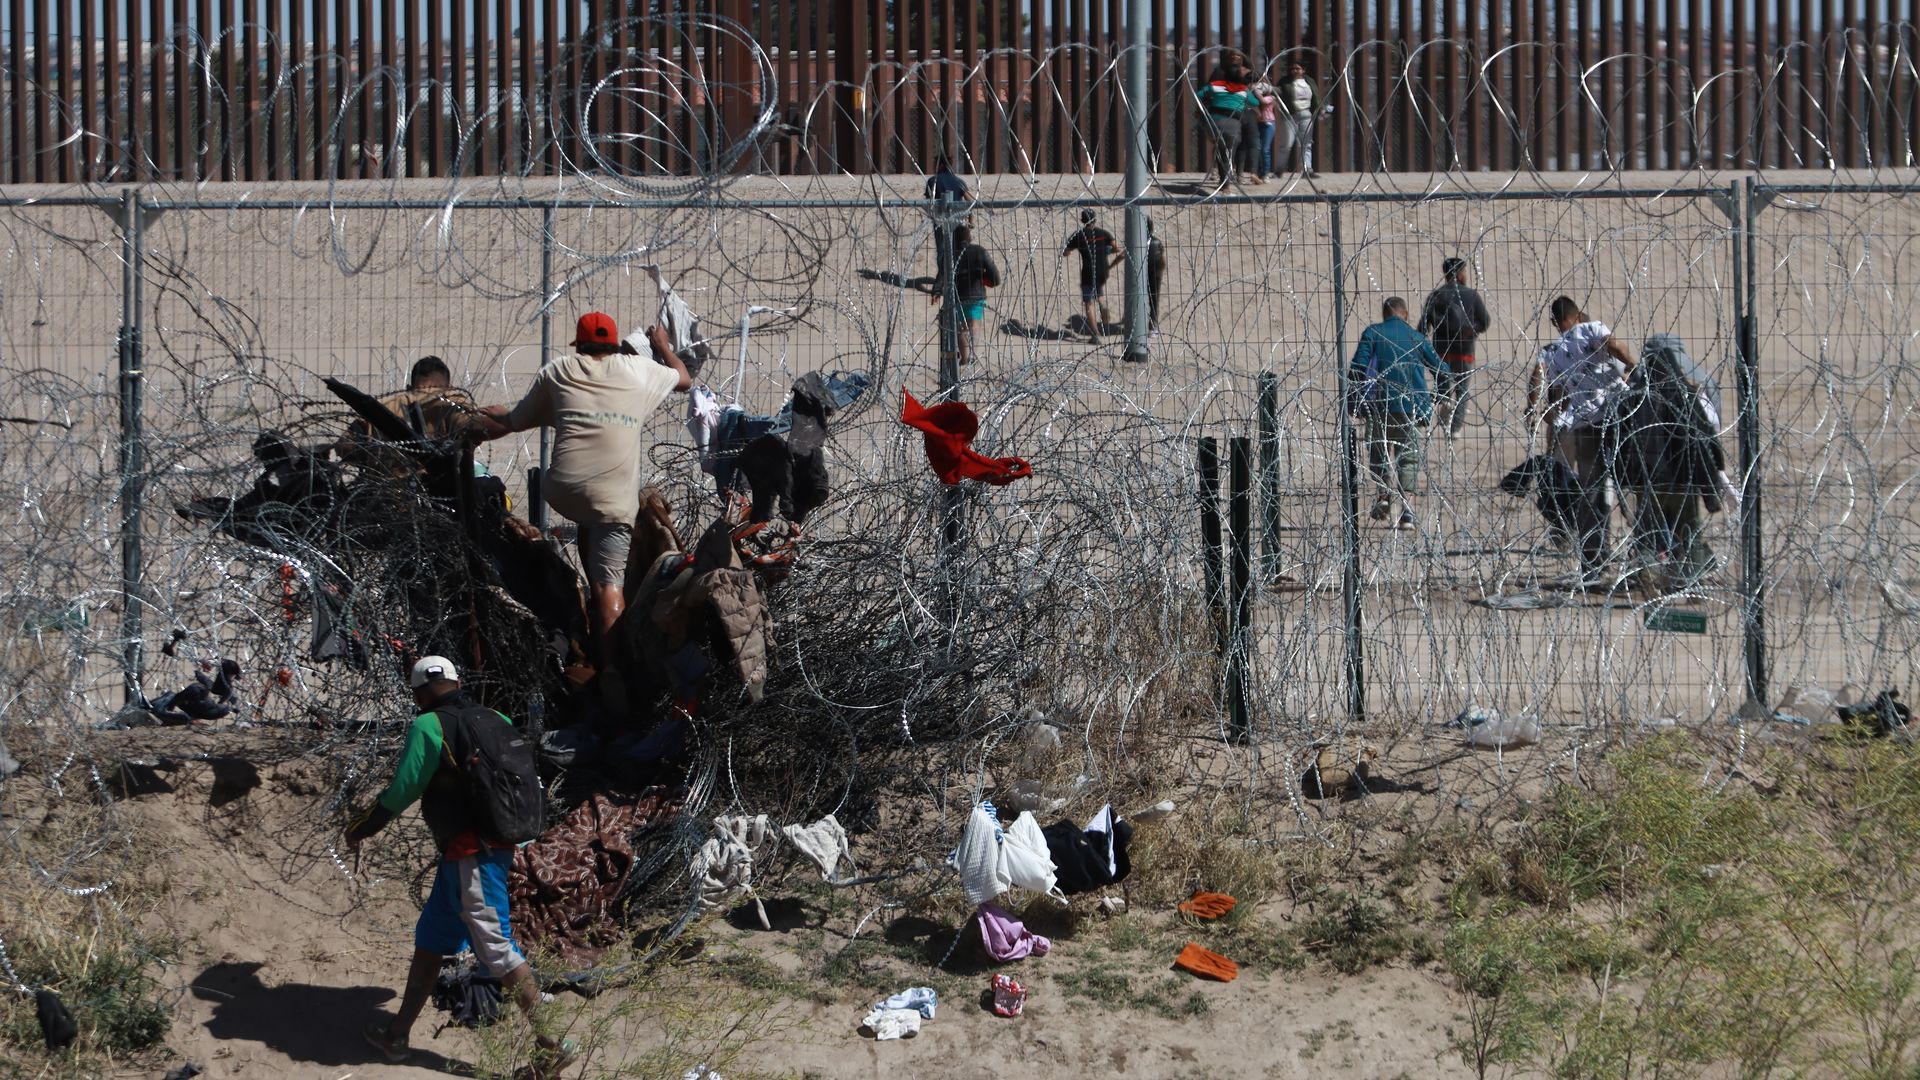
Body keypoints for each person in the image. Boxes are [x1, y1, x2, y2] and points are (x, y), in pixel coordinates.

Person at [348, 657, 573, 1078]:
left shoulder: (429, 725)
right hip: (481, 849)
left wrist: (362, 828)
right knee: (431, 939)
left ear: (418, 693)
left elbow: (403, 790)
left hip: (474, 853)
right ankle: (397, 1034)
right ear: (457, 680)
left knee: (495, 947)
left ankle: (551, 1048)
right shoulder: (496, 716)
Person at [472, 313, 692, 667]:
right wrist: (663, 346)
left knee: (588, 513)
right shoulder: (640, 371)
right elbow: (684, 380)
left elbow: (510, 420)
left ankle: (585, 615)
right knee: (610, 588)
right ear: (615, 344)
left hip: (563, 489)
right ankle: (614, 676)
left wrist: (468, 427)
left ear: (580, 343)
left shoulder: (559, 370)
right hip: (613, 500)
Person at [1605, 335, 1732, 588]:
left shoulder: (1634, 399)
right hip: (1682, 481)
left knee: (1647, 534)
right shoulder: (1687, 397)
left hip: (1647, 482)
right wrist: (1714, 472)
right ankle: (1694, 582)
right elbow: (1705, 437)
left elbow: (1616, 440)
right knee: (1690, 532)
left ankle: (1648, 578)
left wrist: (1621, 476)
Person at [1526, 296, 1637, 583]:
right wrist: (1632, 365)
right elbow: (1613, 345)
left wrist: (1544, 412)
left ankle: (1593, 562)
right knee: (1631, 481)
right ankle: (1642, 546)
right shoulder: (1589, 329)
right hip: (1618, 418)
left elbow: (1557, 392)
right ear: (1577, 316)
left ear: (1555, 322)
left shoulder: (1554, 351)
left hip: (1585, 426)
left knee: (1590, 492)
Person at [1348, 297, 1445, 530]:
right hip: (1411, 407)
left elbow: (1358, 368)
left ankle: (1383, 496)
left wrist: (1355, 400)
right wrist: (1436, 397)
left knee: (1379, 453)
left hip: (1379, 405)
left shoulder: (1373, 333)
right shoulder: (1417, 337)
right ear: (1406, 314)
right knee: (1408, 458)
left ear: (1384, 314)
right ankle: (1407, 511)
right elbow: (1443, 371)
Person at [335, 355, 477, 464]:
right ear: (449, 387)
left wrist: (376, 455)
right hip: (444, 493)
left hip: (390, 492)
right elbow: (480, 429)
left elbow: (344, 446)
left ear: (409, 388)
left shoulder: (383, 407)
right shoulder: (453, 403)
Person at [1417, 257, 1493, 439]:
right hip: (1463, 350)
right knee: (1462, 390)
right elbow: (1485, 321)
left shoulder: (1435, 296)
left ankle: (1431, 413)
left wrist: (1425, 346)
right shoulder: (1471, 295)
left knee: (1441, 388)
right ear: (1459, 274)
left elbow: (1422, 327)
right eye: (1464, 271)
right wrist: (1470, 332)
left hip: (1440, 351)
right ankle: (1455, 428)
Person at [931, 223, 1000, 365]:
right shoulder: (979, 251)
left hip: (959, 295)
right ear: (969, 237)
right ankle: (974, 356)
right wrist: (990, 280)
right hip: (977, 294)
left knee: (962, 327)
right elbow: (994, 275)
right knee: (975, 324)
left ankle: (964, 357)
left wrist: (937, 290)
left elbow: (942, 274)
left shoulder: (950, 255)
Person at [1062, 209, 1125, 345]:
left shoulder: (1078, 236)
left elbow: (1066, 252)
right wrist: (1105, 251)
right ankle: (1102, 302)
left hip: (1088, 271)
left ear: (1082, 221)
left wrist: (1069, 251)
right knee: (1098, 289)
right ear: (1095, 219)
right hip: (1103, 269)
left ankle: (1095, 335)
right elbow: (1116, 248)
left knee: (1089, 303)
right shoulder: (1104, 234)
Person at [1199, 50, 1256, 186]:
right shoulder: (1243, 88)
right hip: (1235, 120)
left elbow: (1199, 95)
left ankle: (1225, 180)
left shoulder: (1215, 84)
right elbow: (1256, 102)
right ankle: (1230, 177)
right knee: (1232, 148)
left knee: (1222, 149)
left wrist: (1214, 99)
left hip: (1215, 120)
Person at [1273, 61, 1330, 179]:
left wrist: (1320, 109)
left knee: (1306, 143)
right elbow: (1277, 92)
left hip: (1306, 114)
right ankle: (1279, 169)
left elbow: (1315, 97)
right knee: (1286, 143)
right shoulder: (1285, 81)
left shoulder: (1309, 81)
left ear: (1303, 70)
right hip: (1290, 115)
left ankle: (1307, 169)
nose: (1295, 71)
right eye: (1293, 68)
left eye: (1297, 68)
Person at [1248, 75, 1280, 183]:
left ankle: (1265, 173)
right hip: (1258, 123)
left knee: (1265, 149)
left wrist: (1255, 89)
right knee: (1258, 148)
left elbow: (1263, 101)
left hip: (1269, 124)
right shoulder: (1253, 97)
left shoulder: (1271, 97)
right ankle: (1258, 172)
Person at [1146, 217, 1167, 334]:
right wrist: (1160, 272)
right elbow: (1163, 261)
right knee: (1154, 300)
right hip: (1155, 274)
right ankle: (1152, 327)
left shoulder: (1137, 242)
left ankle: (1134, 323)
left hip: (1141, 274)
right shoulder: (1157, 241)